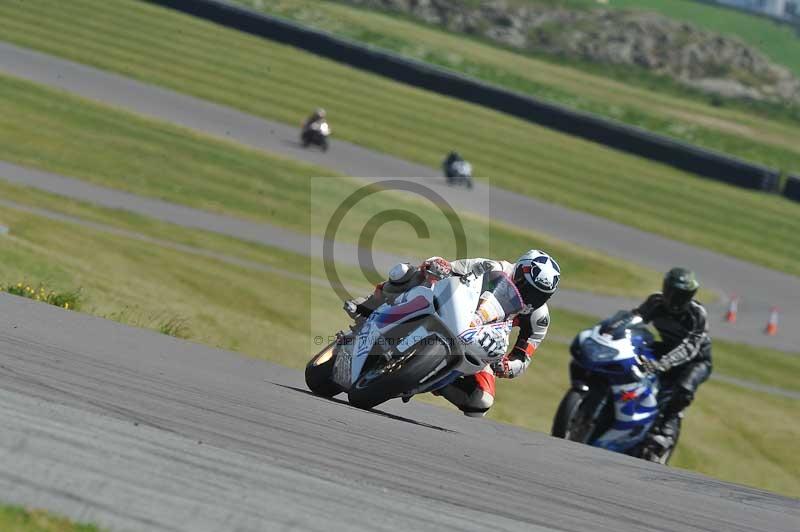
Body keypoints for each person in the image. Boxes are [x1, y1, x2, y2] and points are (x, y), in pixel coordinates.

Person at [344, 250, 561, 417]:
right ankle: (370, 304)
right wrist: (440, 266)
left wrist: (507, 366)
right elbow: (454, 268)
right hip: (459, 309)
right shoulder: (493, 267)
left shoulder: (538, 318)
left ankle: (427, 378)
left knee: (481, 402)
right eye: (527, 287)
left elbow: (523, 357)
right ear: (518, 271)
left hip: (482, 338)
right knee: (408, 272)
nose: (530, 297)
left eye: (539, 295)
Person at [633, 267, 712, 453]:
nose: (675, 299)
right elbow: (634, 319)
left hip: (697, 360)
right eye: (672, 292)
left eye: (682, 295)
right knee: (634, 359)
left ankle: (667, 426)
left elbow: (690, 347)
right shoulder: (655, 301)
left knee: (683, 389)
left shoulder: (697, 313)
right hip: (667, 349)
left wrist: (662, 364)